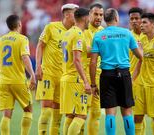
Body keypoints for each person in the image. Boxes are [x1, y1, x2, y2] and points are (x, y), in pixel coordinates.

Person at [90, 8, 143, 135]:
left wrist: (93, 84)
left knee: (110, 113)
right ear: (117, 18)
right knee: (127, 112)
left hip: (107, 76)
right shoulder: (126, 33)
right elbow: (140, 57)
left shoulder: (98, 36)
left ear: (105, 19)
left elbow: (92, 62)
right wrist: (140, 49)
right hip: (124, 74)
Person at [35, 3, 78, 135]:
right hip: (48, 73)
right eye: (75, 13)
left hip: (64, 77)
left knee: (58, 114)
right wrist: (38, 66)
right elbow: (40, 46)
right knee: (46, 110)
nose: (77, 16)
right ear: (67, 14)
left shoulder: (75, 32)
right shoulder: (51, 27)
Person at [0, 14, 36, 135]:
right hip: (18, 80)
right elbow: (25, 57)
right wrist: (32, 75)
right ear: (19, 25)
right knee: (28, 110)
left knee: (7, 115)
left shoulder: (0, 40)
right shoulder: (22, 39)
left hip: (4, 81)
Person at [61, 8, 91, 135]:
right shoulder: (78, 34)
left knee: (71, 116)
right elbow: (77, 60)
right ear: (85, 18)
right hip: (75, 79)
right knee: (81, 115)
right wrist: (85, 81)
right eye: (89, 17)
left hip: (67, 77)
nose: (89, 20)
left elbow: (83, 52)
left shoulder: (68, 33)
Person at [84, 3, 104, 135]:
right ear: (89, 14)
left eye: (101, 15)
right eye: (95, 14)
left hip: (99, 77)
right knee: (80, 114)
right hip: (83, 77)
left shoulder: (103, 31)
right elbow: (86, 51)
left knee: (96, 113)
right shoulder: (83, 30)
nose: (98, 17)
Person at [127, 7, 146, 135]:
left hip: (148, 79)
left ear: (142, 20)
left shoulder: (149, 35)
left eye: (137, 18)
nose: (134, 21)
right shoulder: (127, 36)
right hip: (132, 79)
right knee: (136, 114)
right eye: (132, 19)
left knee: (144, 114)